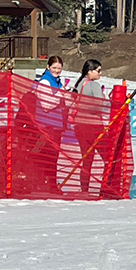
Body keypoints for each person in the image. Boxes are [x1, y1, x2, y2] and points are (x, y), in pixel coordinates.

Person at [72, 59, 109, 192]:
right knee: (108, 157)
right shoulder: (94, 85)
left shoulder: (79, 83)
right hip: (93, 126)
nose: (100, 73)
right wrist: (108, 101)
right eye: (98, 70)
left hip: (79, 125)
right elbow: (100, 105)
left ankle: (84, 189)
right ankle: (107, 187)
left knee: (87, 159)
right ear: (90, 71)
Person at [35, 56, 67, 191]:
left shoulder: (57, 82)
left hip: (56, 125)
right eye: (54, 68)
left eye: (59, 68)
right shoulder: (45, 82)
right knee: (46, 156)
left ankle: (51, 184)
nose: (57, 71)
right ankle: (45, 184)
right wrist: (61, 95)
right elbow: (46, 105)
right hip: (46, 125)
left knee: (53, 157)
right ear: (48, 67)